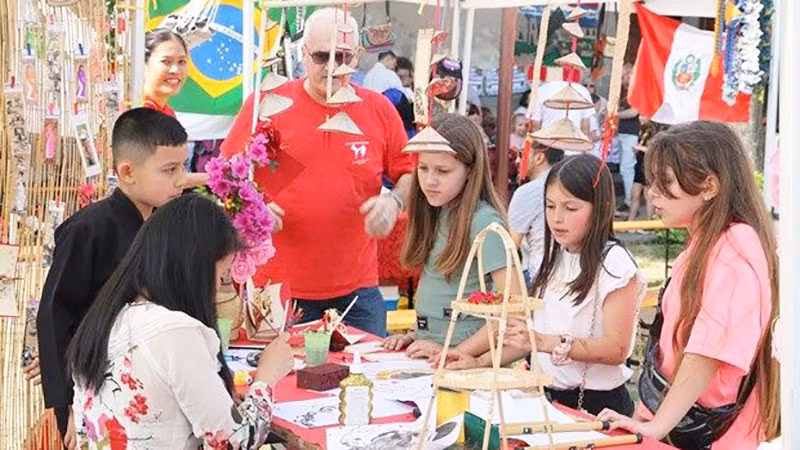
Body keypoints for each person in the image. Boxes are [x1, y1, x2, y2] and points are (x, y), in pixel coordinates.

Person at [221, 7, 413, 337]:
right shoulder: (266, 104)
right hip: (277, 288)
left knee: (364, 384)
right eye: (323, 57)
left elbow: (409, 172)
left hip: (358, 290)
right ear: (304, 54)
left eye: (344, 57)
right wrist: (254, 210)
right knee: (275, 384)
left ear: (357, 56)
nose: (333, 68)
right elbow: (226, 177)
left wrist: (394, 202)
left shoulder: (378, 109)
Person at [598, 121, 780, 449]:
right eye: (653, 181)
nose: (652, 193)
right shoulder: (705, 242)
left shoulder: (737, 244)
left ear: (709, 185)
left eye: (665, 182)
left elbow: (708, 350)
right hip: (677, 419)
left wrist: (657, 424)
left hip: (710, 431)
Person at [67, 195, 294, 448]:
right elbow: (235, 442)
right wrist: (266, 377)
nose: (217, 289)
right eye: (220, 276)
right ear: (195, 269)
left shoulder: (103, 320)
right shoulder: (175, 332)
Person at [443, 154, 646, 416]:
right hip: (546, 398)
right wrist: (479, 361)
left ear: (602, 207)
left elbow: (617, 348)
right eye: (550, 207)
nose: (557, 218)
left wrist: (544, 341)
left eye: (570, 208)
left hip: (595, 406)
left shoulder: (614, 263)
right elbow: (530, 338)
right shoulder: (553, 257)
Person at [35, 108, 189, 447]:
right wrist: (65, 406)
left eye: (183, 167)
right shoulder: (87, 230)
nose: (181, 179)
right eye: (169, 170)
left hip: (152, 385)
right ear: (127, 172)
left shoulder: (166, 225)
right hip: (97, 389)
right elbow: (54, 317)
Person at [382, 114, 512, 359]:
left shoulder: (484, 222)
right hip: (429, 355)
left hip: (462, 365)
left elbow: (513, 313)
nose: (429, 180)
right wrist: (414, 334)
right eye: (423, 168)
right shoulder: (435, 212)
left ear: (470, 170)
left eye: (443, 170)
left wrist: (454, 353)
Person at [142, 28, 208, 186]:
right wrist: (212, 178)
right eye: (166, 61)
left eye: (182, 62)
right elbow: (157, 178)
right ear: (144, 64)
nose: (176, 70)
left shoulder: (167, 112)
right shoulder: (141, 113)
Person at [507, 143, 565, 283]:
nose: (517, 161)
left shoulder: (528, 191)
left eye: (522, 154)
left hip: (540, 275)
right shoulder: (571, 184)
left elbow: (510, 247)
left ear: (539, 157)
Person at [613, 63, 640, 215]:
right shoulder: (625, 92)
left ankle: (630, 202)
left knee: (627, 168)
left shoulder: (636, 91)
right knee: (625, 169)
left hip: (631, 133)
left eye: (624, 75)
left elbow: (634, 112)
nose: (622, 78)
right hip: (624, 133)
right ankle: (628, 200)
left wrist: (615, 114)